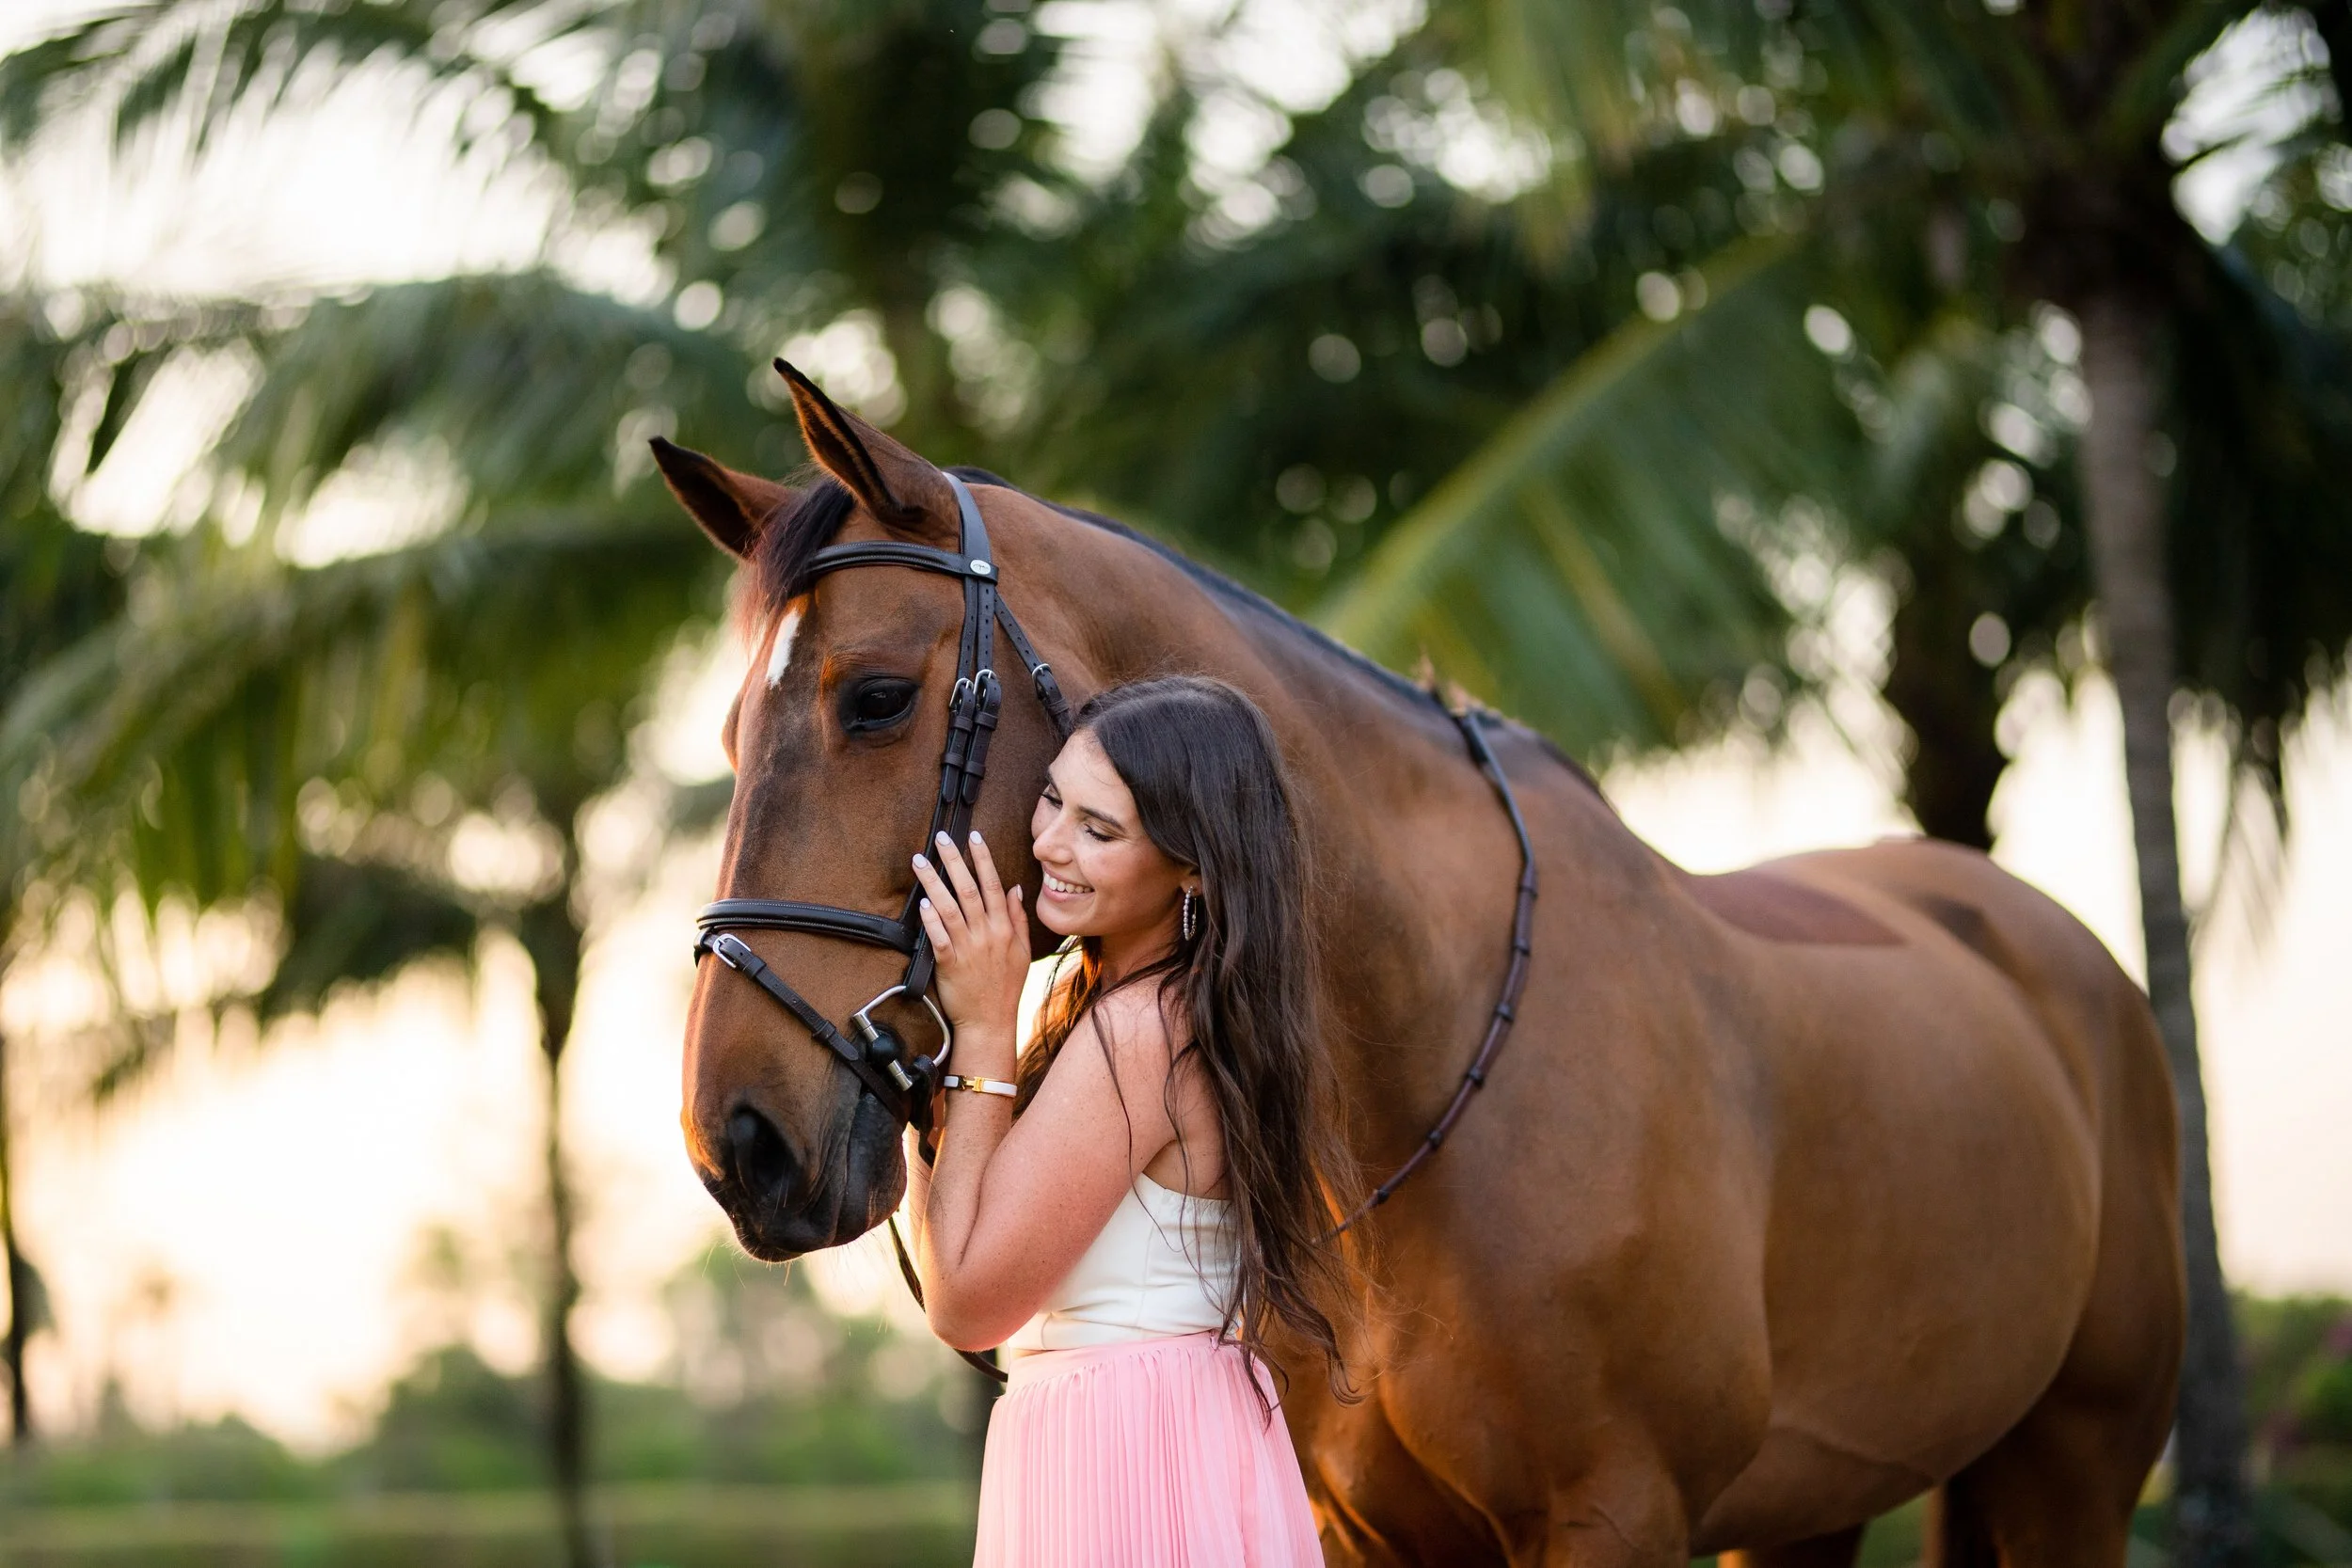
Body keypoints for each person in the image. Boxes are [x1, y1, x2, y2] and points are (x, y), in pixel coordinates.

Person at [903, 674, 1357, 1568]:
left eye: (1098, 829)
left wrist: (984, 1028)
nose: (1048, 843)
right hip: (1147, 1431)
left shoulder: (1143, 1029)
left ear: (1192, 864)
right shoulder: (1165, 1009)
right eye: (1051, 798)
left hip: (1128, 1455)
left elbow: (964, 1301)